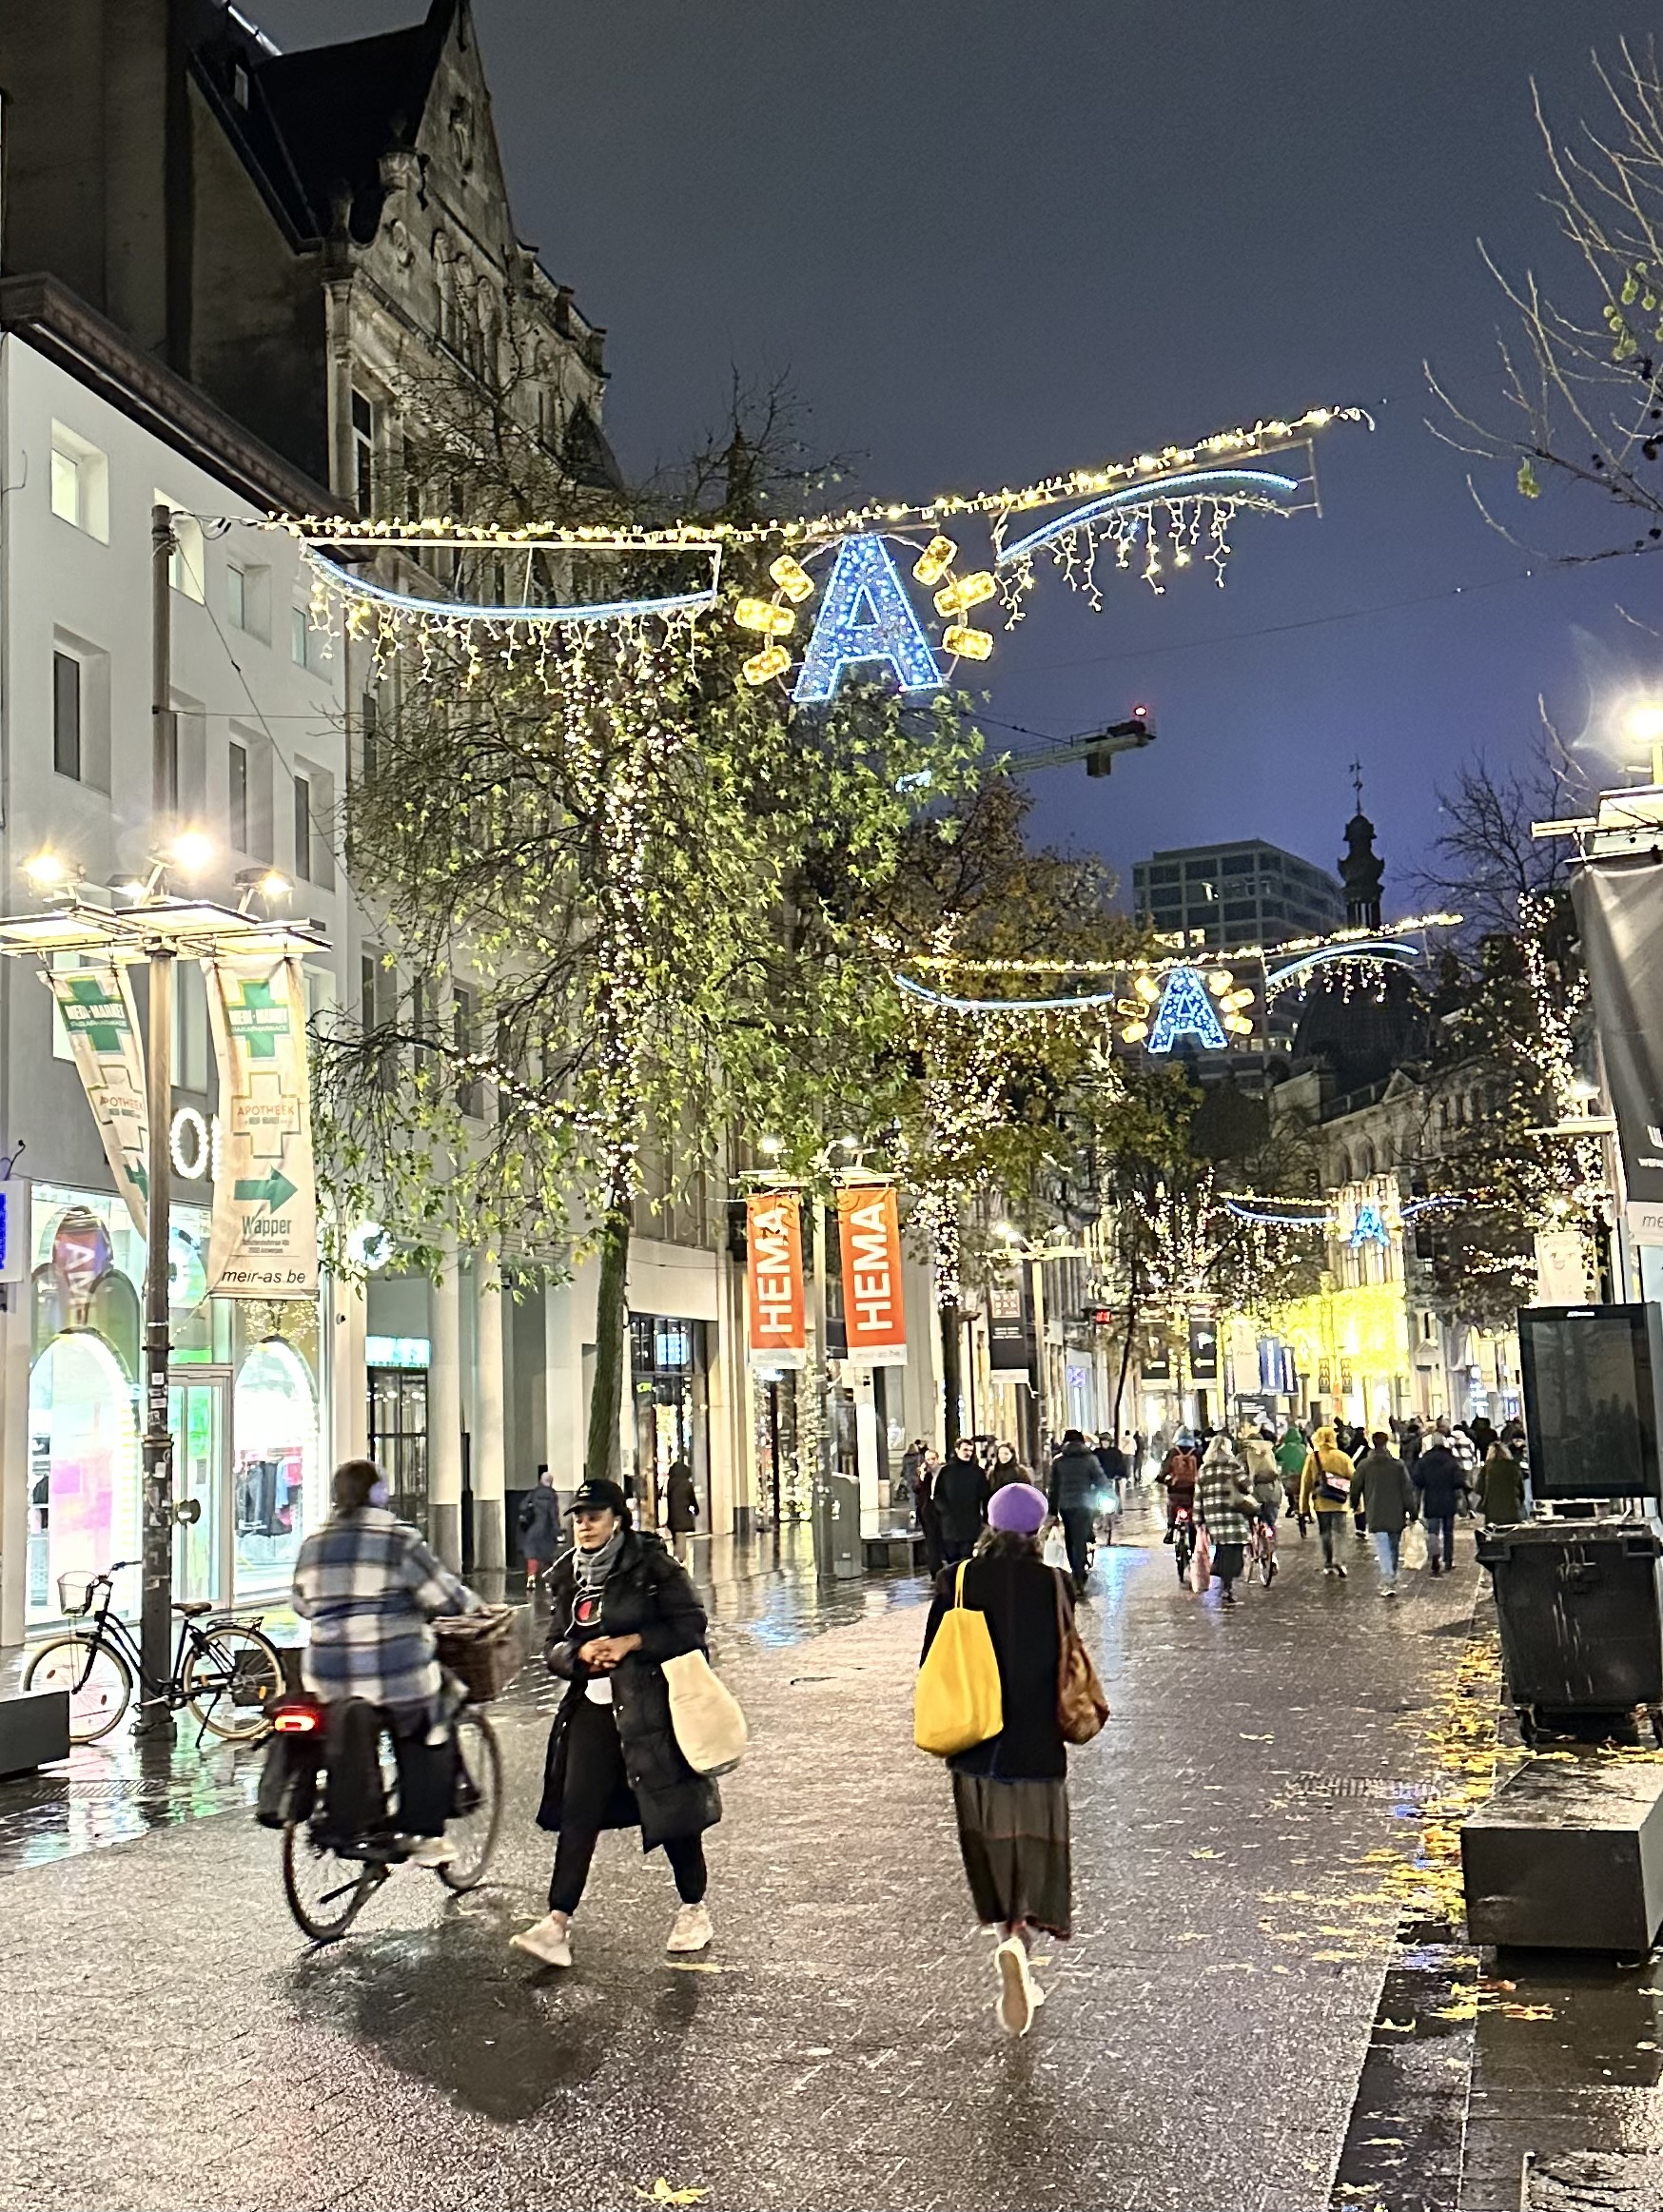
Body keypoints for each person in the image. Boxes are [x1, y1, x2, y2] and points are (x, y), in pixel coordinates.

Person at [512, 1478, 720, 1970]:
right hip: (592, 1709)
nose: (585, 1525)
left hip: (651, 1709)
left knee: (671, 1812)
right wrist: (578, 1653)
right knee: (577, 1811)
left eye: (595, 1516)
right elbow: (552, 1646)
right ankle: (557, 1922)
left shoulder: (653, 1567)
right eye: (579, 1517)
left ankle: (694, 1907)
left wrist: (630, 1643)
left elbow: (690, 1628)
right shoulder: (567, 1576)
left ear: (618, 1520)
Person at [921, 1480, 1075, 2037]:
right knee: (1033, 1854)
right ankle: (1022, 1941)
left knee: (991, 1850)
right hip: (1036, 1746)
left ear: (988, 1524)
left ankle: (1005, 1940)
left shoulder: (957, 1581)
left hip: (974, 1745)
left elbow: (931, 1660)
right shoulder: (1056, 1586)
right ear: (1039, 1531)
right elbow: (1065, 1665)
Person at [291, 1458, 484, 1864]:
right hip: (392, 1671)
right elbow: (444, 1597)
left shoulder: (313, 1543)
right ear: (379, 1494)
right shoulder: (399, 1539)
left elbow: (302, 1604)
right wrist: (473, 1605)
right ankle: (425, 1833)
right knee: (433, 1711)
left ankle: (353, 1812)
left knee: (351, 1721)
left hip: (326, 1676)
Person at [1353, 1431, 1419, 1597]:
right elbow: (1407, 1491)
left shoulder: (1365, 1465)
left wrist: (1354, 1504)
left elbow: (1355, 1486)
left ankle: (1388, 1578)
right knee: (1393, 1546)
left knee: (1382, 1547)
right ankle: (1392, 1575)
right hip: (1396, 1512)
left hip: (1375, 1511)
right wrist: (1412, 1512)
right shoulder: (1397, 1466)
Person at [1197, 1435, 1259, 1606]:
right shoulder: (1233, 1465)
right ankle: (1227, 1584)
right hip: (1233, 1515)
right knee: (1235, 1548)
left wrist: (1198, 1519)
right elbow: (1248, 1487)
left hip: (1213, 1517)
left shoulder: (1204, 1469)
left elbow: (1198, 1496)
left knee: (1223, 1547)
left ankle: (1223, 1579)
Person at [1047, 1429, 1105, 1598]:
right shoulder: (1090, 1459)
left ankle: (1075, 1569)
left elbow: (1054, 1487)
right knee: (1080, 1539)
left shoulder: (1058, 1461)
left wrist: (1052, 1510)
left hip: (1065, 1506)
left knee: (1071, 1538)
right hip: (1085, 1504)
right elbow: (1100, 1480)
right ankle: (1078, 1577)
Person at [1299, 1424, 1356, 1578]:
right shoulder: (1343, 1457)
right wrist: (1358, 1503)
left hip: (1321, 1503)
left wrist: (1303, 1507)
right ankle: (1341, 1561)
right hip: (1340, 1502)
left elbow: (1306, 1483)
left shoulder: (1313, 1458)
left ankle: (1328, 1563)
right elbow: (1354, 1480)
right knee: (1340, 1533)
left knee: (1325, 1533)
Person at [1413, 1428, 1468, 1576]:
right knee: (1448, 1532)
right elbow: (1459, 1481)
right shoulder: (1451, 1460)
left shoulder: (1424, 1460)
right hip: (1448, 1501)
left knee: (1433, 1532)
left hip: (1431, 1500)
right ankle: (1448, 1560)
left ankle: (1435, 1557)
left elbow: (1417, 1480)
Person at [935, 1437, 991, 1567]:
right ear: (957, 1450)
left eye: (971, 1450)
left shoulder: (978, 1472)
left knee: (967, 1558)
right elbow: (938, 1494)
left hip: (970, 1521)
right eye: (965, 1450)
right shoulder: (946, 1471)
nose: (968, 1453)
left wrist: (986, 1518)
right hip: (950, 1522)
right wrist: (944, 1510)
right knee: (952, 1557)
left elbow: (985, 1495)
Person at [518, 1466, 564, 1593]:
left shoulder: (534, 1493)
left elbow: (522, 1506)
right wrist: (558, 1531)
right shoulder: (552, 1495)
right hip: (547, 1530)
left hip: (533, 1528)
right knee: (548, 1555)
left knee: (532, 1554)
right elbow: (553, 1515)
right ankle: (548, 1580)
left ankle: (531, 1578)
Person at [1477, 1438, 1528, 1528]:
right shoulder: (1513, 1467)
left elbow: (1479, 1488)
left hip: (1492, 1510)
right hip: (1512, 1508)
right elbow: (1521, 1488)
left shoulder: (1487, 1468)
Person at [1159, 1432, 1200, 1538]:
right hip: (1192, 1490)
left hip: (1175, 1490)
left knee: (1171, 1505)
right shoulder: (1197, 1453)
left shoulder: (1173, 1453)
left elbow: (1164, 1470)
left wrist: (1161, 1479)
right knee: (1195, 1511)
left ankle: (1171, 1529)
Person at [1239, 1426, 1283, 1522]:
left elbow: (1238, 1475)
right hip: (1272, 1492)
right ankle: (1270, 1534)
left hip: (1252, 1493)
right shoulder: (1269, 1453)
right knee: (1270, 1523)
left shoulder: (1242, 1456)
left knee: (1251, 1521)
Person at [1276, 1423, 1309, 1534]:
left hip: (1288, 1477)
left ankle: (1293, 1507)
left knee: (1290, 1493)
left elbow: (1276, 1458)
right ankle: (1305, 1511)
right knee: (1303, 1494)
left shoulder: (1282, 1449)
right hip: (1301, 1476)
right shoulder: (1303, 1448)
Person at [664, 1458, 699, 1560]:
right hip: (683, 1516)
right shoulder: (687, 1484)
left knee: (676, 1538)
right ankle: (680, 1560)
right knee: (681, 1539)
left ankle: (676, 1557)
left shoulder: (670, 1483)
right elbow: (692, 1500)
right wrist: (696, 1510)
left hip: (672, 1517)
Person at [917, 1447, 945, 1576]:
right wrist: (922, 1477)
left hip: (942, 1510)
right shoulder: (925, 1476)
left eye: (933, 1459)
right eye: (928, 1460)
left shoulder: (944, 1473)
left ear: (937, 1459)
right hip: (928, 1511)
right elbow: (917, 1490)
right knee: (931, 1540)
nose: (931, 1462)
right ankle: (935, 1567)